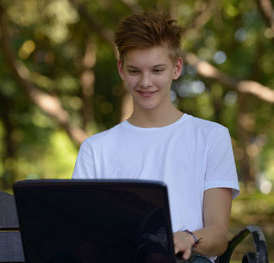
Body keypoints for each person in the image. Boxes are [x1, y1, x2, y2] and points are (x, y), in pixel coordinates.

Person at [72, 11, 239, 263]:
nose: (146, 82)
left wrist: (188, 238)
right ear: (121, 70)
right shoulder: (95, 149)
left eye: (157, 70)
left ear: (177, 68)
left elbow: (218, 236)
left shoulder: (212, 137)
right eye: (135, 71)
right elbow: (82, 235)